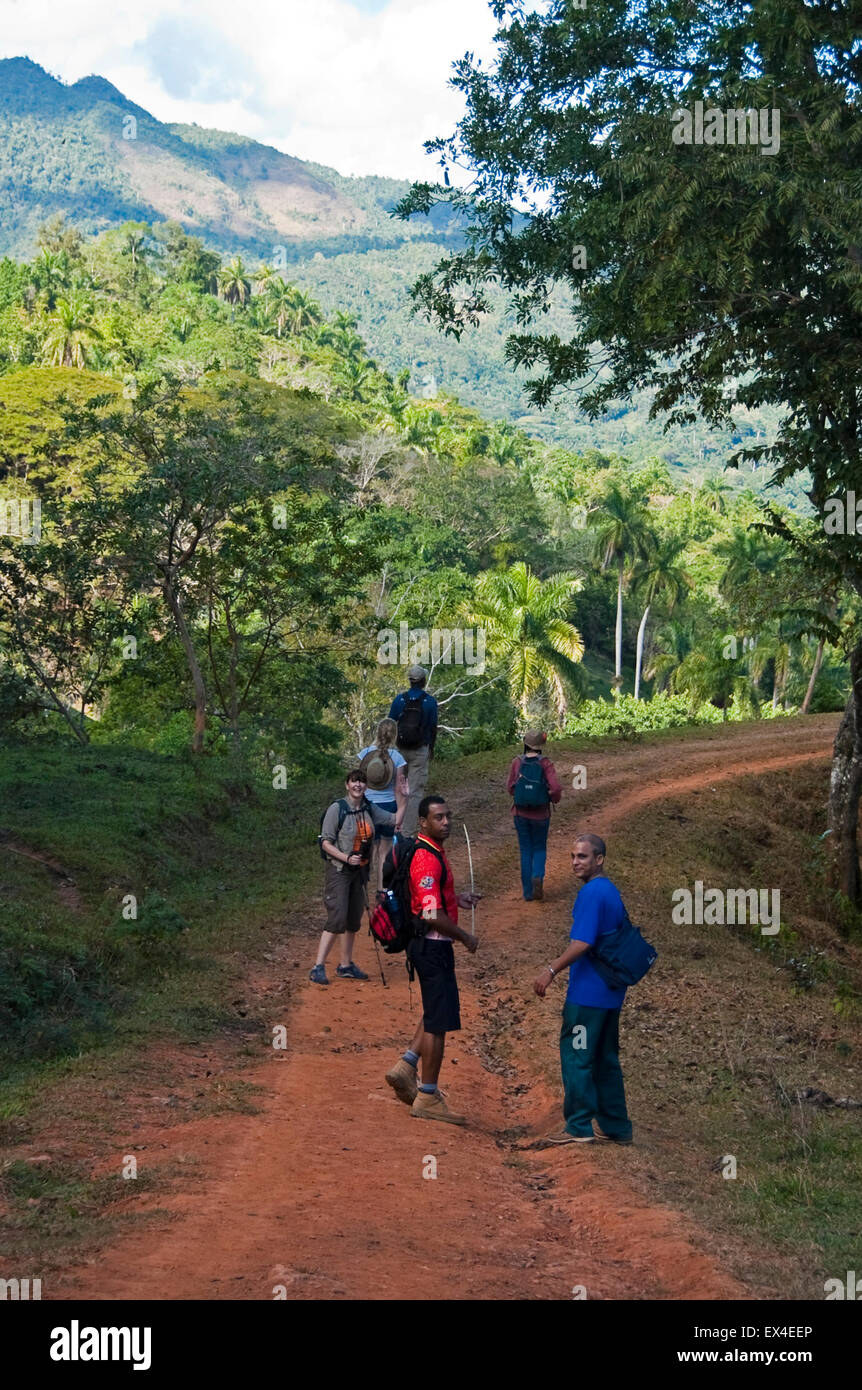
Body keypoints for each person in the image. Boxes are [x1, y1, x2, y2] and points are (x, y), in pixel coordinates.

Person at [384, 795, 480, 1125]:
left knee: (435, 1011)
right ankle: (427, 1095)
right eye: (438, 817)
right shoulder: (426, 859)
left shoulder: (434, 852)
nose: (446, 822)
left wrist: (458, 899)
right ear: (423, 822)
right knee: (439, 1024)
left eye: (448, 816)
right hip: (432, 947)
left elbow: (435, 900)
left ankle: (405, 1065)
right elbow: (428, 911)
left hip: (430, 945)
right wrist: (464, 936)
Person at [533, 832, 633, 1145]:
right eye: (574, 857)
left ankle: (578, 1126)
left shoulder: (592, 894)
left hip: (588, 998)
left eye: (583, 857)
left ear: (599, 859)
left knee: (577, 1056)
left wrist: (551, 971)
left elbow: (583, 942)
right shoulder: (610, 891)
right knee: (605, 1058)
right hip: (610, 996)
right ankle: (616, 1126)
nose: (576, 863)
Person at [310, 769, 397, 985]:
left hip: (360, 872)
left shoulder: (368, 808)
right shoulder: (336, 809)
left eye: (361, 782)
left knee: (353, 919)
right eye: (354, 781)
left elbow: (396, 818)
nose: (358, 785)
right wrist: (346, 858)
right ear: (347, 785)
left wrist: (403, 794)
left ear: (366, 786)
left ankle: (345, 966)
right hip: (339, 870)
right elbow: (325, 842)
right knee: (337, 916)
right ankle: (318, 967)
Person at [506, 729, 562, 901]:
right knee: (539, 847)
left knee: (525, 850)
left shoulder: (517, 762)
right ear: (541, 746)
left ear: (525, 743)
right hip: (541, 815)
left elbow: (510, 788)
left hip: (520, 814)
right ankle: (537, 875)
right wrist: (552, 798)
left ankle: (528, 892)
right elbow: (556, 788)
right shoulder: (546, 764)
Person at [357, 718, 408, 892]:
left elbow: (359, 783)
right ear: (394, 735)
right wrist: (399, 817)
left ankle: (361, 887)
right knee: (384, 851)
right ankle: (381, 890)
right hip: (388, 807)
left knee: (367, 848)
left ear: (376, 732)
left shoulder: (365, 754)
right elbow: (399, 790)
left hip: (368, 806)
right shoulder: (397, 757)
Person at [388, 665, 438, 836]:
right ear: (423, 681)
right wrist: (431, 748)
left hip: (400, 750)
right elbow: (432, 728)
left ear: (410, 681)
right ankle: (407, 832)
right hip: (419, 750)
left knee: (397, 789)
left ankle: (394, 825)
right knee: (415, 792)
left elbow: (390, 724)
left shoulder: (399, 700)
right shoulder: (430, 702)